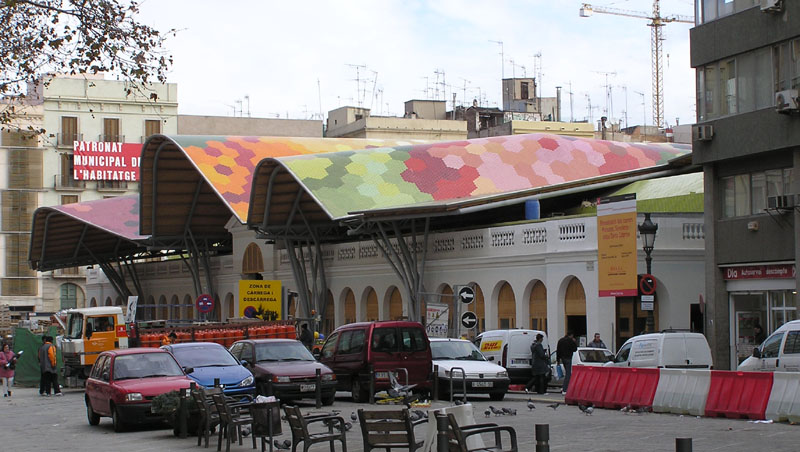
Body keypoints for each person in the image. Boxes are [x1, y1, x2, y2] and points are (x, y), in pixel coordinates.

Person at [556, 331, 578, 395]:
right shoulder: (570, 341)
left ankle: (564, 387)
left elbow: (558, 350)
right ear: (571, 335)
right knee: (568, 374)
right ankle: (565, 389)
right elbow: (575, 349)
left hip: (563, 358)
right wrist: (574, 342)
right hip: (568, 358)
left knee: (567, 373)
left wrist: (558, 360)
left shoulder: (560, 340)